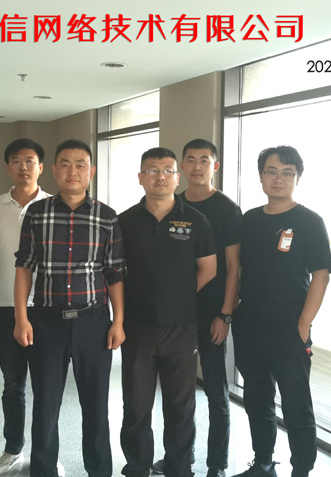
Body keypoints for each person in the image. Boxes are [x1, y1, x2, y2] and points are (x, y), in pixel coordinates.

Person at [14, 139, 125, 477]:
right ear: (54, 170)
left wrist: (118, 321)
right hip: (47, 321)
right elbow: (24, 266)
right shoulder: (37, 213)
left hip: (94, 320)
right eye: (65, 164)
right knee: (45, 405)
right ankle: (43, 471)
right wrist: (21, 317)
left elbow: (114, 273)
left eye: (80, 165)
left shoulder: (107, 216)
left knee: (96, 406)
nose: (72, 171)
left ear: (91, 171)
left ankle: (99, 471)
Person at [232, 146, 331, 477]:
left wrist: (303, 325)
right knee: (257, 400)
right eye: (271, 171)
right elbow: (237, 268)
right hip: (250, 327)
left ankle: (301, 470)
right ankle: (263, 463)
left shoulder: (309, 221)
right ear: (261, 176)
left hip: (290, 330)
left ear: (297, 178)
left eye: (287, 172)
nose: (279, 178)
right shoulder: (249, 220)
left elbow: (321, 275)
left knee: (296, 406)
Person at [118, 147, 217, 477]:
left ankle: (178, 468)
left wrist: (178, 296)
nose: (160, 177)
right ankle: (138, 467)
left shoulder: (196, 220)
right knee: (136, 406)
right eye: (152, 170)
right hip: (137, 327)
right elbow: (115, 272)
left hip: (181, 328)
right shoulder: (125, 221)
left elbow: (209, 269)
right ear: (140, 177)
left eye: (167, 171)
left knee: (180, 406)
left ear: (177, 177)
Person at [151, 139, 242, 477]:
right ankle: (180, 458)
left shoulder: (227, 210)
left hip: (211, 312)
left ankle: (216, 464)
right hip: (177, 314)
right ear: (182, 167)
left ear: (214, 166)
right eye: (190, 160)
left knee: (216, 391)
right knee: (179, 393)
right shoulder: (173, 205)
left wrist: (225, 314)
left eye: (204, 160)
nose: (197, 167)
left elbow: (233, 267)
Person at [0, 139, 53, 476]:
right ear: (7, 167)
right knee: (13, 384)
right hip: (5, 305)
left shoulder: (54, 205)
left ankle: (47, 453)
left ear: (41, 167)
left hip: (46, 306)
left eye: (30, 160)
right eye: (16, 161)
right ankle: (13, 449)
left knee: (47, 386)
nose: (23, 166)